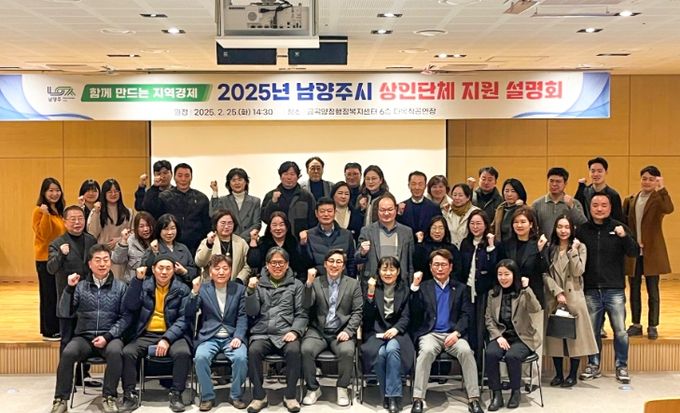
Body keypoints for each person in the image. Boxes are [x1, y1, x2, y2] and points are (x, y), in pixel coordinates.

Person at [50, 244, 130, 413]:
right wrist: (69, 288)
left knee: (116, 351)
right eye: (98, 260)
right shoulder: (80, 286)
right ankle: (60, 399)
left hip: (109, 337)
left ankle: (109, 396)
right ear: (90, 264)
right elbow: (64, 312)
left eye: (106, 260)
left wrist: (107, 337)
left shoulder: (121, 287)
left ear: (110, 263)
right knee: (68, 352)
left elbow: (125, 318)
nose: (102, 264)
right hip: (84, 338)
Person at [409, 249, 483, 413]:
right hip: (431, 334)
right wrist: (414, 287)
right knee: (426, 351)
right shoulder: (424, 287)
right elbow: (414, 312)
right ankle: (418, 399)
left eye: (443, 265)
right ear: (430, 267)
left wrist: (457, 333)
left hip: (453, 334)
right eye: (436, 265)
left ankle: (474, 399)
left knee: (466, 351)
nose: (440, 268)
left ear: (450, 267)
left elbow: (467, 315)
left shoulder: (461, 288)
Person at [575, 193, 638, 384]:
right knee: (593, 331)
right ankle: (593, 365)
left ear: (610, 207)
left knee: (620, 331)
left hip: (615, 289)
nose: (599, 208)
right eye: (595, 205)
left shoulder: (619, 227)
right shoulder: (582, 230)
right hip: (591, 289)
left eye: (604, 205)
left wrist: (624, 236)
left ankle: (621, 366)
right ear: (590, 207)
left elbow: (634, 252)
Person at [120, 254, 192, 412]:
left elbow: (184, 319)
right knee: (128, 352)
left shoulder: (182, 289)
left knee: (183, 352)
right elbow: (130, 306)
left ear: (174, 270)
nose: (164, 272)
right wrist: (137, 281)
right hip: (146, 333)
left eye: (168, 268)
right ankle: (129, 395)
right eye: (160, 268)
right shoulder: (143, 285)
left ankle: (176, 394)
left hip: (172, 334)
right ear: (153, 269)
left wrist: (167, 339)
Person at [245, 247, 308, 413]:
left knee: (294, 350)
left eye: (281, 263)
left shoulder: (297, 285)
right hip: (262, 333)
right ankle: (259, 396)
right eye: (273, 263)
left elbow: (302, 314)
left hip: (286, 332)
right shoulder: (258, 284)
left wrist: (295, 331)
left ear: (287, 265)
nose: (277, 266)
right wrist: (250, 292)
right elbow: (251, 312)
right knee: (253, 351)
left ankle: (290, 395)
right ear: (267, 265)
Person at [186, 255, 248, 412]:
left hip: (231, 336)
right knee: (200, 358)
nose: (221, 272)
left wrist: (238, 336)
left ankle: (235, 395)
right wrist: (194, 292)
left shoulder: (239, 289)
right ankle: (207, 396)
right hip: (209, 337)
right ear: (210, 271)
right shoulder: (203, 289)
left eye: (225, 268)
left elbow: (242, 316)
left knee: (241, 358)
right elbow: (189, 312)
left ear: (230, 271)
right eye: (217, 268)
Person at [301, 250, 363, 407]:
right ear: (325, 264)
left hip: (341, 331)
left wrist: (348, 331)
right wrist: (308, 284)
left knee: (347, 351)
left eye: (339, 262)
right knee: (306, 349)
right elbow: (306, 305)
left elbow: (358, 312)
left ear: (343, 266)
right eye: (331, 261)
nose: (334, 265)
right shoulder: (316, 282)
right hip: (318, 331)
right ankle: (313, 388)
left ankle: (342, 388)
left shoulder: (353, 284)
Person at [544, 215, 598, 388]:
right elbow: (544, 273)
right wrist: (557, 292)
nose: (563, 230)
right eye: (560, 226)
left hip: (574, 297)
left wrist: (573, 251)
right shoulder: (550, 248)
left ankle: (572, 375)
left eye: (567, 227)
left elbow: (578, 271)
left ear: (572, 229)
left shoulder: (580, 247)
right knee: (555, 339)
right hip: (555, 297)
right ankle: (559, 374)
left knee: (575, 340)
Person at [623, 165, 674, 340]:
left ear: (656, 181)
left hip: (652, 252)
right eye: (644, 178)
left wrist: (662, 189)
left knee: (653, 291)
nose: (647, 182)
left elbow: (669, 208)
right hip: (634, 252)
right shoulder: (630, 200)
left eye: (651, 179)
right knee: (634, 290)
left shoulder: (658, 199)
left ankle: (653, 325)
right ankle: (636, 324)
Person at [485, 259, 542, 411]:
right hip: (502, 336)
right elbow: (489, 319)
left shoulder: (523, 292)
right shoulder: (493, 293)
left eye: (507, 274)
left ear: (514, 275)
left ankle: (515, 392)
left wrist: (527, 288)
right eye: (500, 274)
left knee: (512, 356)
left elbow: (536, 308)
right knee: (491, 353)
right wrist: (498, 336)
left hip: (522, 337)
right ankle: (496, 394)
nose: (503, 278)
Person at [361, 256, 414, 413]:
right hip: (376, 332)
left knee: (391, 349)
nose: (388, 273)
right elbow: (367, 317)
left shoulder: (405, 289)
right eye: (384, 269)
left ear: (398, 271)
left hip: (398, 333)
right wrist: (370, 294)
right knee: (380, 354)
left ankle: (392, 396)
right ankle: (390, 395)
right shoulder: (371, 288)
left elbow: (407, 316)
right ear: (378, 271)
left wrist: (396, 329)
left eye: (392, 269)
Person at [47, 205, 97, 352]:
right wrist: (61, 254)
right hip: (67, 299)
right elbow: (51, 269)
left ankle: (84, 367)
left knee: (88, 340)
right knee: (67, 341)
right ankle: (65, 368)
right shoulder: (57, 243)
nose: (77, 222)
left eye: (80, 218)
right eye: (73, 219)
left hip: (88, 299)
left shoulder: (91, 240)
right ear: (64, 222)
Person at [458, 210, 502, 354]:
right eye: (472, 223)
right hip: (467, 290)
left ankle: (481, 363)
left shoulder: (494, 244)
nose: (475, 227)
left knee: (482, 328)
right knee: (469, 325)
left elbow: (494, 268)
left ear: (486, 225)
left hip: (485, 292)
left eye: (479, 223)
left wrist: (490, 248)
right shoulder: (466, 243)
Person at [144, 162, 211, 255]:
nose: (183, 179)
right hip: (169, 245)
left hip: (196, 247)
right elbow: (149, 209)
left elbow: (207, 224)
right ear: (174, 177)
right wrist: (154, 187)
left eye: (187, 176)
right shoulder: (164, 196)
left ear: (191, 177)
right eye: (180, 175)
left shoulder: (201, 198)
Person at [356, 193, 414, 287]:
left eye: (390, 209)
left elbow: (410, 263)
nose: (386, 213)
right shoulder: (367, 231)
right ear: (377, 211)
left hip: (400, 284)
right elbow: (357, 258)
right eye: (382, 210)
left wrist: (410, 285)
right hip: (373, 283)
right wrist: (362, 253)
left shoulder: (407, 232)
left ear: (396, 209)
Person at [33, 177, 66, 341]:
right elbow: (44, 235)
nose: (54, 194)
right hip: (45, 259)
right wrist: (45, 214)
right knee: (48, 295)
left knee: (58, 293)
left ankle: (58, 327)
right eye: (50, 190)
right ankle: (48, 330)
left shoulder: (60, 211)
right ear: (44, 193)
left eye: (57, 190)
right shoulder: (39, 211)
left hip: (59, 258)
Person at [502, 206, 549, 309]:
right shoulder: (506, 243)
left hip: (532, 295)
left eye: (523, 222)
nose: (519, 225)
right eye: (516, 222)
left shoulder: (539, 243)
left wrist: (540, 251)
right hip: (511, 295)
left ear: (531, 224)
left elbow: (544, 269)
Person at [87, 178, 133, 280]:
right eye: (109, 192)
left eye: (116, 191)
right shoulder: (97, 211)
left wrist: (120, 239)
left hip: (121, 255)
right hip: (102, 255)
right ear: (104, 193)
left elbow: (133, 233)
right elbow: (92, 233)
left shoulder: (128, 212)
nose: (113, 194)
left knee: (119, 284)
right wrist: (96, 212)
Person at [300, 197, 356, 277]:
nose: (326, 214)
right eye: (322, 211)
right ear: (316, 213)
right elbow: (305, 264)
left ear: (335, 212)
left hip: (342, 280)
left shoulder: (347, 235)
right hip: (318, 280)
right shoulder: (309, 235)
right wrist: (303, 245)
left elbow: (351, 263)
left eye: (329, 211)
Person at [261, 161, 317, 239]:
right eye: (285, 174)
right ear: (280, 176)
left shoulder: (307, 196)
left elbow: (314, 220)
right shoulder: (270, 195)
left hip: (300, 240)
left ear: (298, 177)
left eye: (292, 174)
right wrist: (273, 202)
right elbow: (265, 218)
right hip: (275, 240)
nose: (289, 177)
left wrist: (308, 234)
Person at [247, 211, 309, 279]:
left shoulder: (293, 241)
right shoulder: (263, 241)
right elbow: (253, 263)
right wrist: (253, 240)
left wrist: (303, 244)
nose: (278, 228)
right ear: (270, 228)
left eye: (281, 225)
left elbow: (302, 264)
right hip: (266, 279)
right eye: (274, 225)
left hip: (290, 279)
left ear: (287, 227)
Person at [142, 213, 199, 286]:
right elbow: (146, 270)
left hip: (183, 289)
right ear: (159, 230)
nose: (170, 233)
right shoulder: (154, 247)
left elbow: (193, 271)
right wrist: (154, 252)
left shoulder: (183, 248)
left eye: (172, 228)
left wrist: (184, 271)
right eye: (166, 229)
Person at [195, 210, 251, 284]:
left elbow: (248, 265)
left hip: (235, 284)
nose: (226, 226)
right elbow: (200, 263)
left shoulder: (241, 242)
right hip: (211, 285)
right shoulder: (208, 241)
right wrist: (209, 244)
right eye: (223, 223)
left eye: (230, 223)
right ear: (216, 224)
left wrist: (239, 279)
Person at [531, 167, 587, 236]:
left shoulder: (574, 203)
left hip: (567, 242)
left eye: (558, 181)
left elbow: (583, 224)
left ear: (565, 183)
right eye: (551, 181)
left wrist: (571, 207)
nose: (554, 184)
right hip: (544, 242)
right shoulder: (537, 204)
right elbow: (531, 227)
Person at [209, 167, 262, 240]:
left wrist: (240, 239)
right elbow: (213, 215)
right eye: (233, 180)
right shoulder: (223, 200)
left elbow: (256, 224)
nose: (237, 183)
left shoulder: (255, 201)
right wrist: (215, 192)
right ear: (229, 183)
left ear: (246, 182)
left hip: (247, 240)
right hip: (227, 240)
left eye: (240, 180)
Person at [413, 216, 463, 283]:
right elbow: (417, 267)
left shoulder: (452, 249)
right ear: (429, 229)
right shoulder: (422, 247)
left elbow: (457, 271)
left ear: (445, 230)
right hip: (426, 285)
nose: (437, 231)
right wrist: (419, 242)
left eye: (441, 228)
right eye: (434, 228)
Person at [574, 157, 623, 222]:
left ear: (606, 172)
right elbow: (576, 214)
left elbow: (618, 219)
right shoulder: (583, 192)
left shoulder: (613, 195)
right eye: (593, 171)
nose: (596, 174)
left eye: (599, 171)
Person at [112, 211, 156, 283]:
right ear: (136, 228)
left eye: (148, 225)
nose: (145, 229)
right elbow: (117, 260)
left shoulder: (159, 241)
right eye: (141, 226)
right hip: (132, 283)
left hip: (154, 283)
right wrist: (123, 241)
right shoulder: (130, 240)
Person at [397, 171, 441, 235]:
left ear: (425, 186)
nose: (417, 187)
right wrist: (399, 214)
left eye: (420, 184)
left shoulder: (434, 207)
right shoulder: (401, 207)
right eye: (413, 184)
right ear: (409, 186)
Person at [443, 183, 480, 248]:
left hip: (469, 249)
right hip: (450, 249)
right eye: (454, 195)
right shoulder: (447, 211)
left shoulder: (476, 212)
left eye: (460, 195)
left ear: (468, 197)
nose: (457, 198)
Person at [492, 178, 527, 243]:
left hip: (519, 246)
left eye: (513, 191)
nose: (509, 194)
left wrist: (520, 206)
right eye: (506, 191)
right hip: (501, 246)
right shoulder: (500, 208)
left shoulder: (525, 209)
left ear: (519, 193)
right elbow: (493, 228)